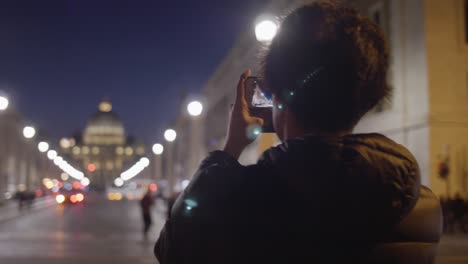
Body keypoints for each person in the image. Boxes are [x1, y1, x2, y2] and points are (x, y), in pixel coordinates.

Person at [155, 1, 424, 263]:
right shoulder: (415, 201)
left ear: (281, 102)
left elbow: (172, 250)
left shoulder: (238, 201)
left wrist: (230, 150)